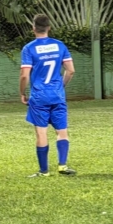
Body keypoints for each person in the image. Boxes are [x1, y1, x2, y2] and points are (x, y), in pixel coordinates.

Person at [21, 14, 76, 177]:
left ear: (33, 29)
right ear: (49, 28)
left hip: (39, 97)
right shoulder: (59, 45)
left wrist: (22, 93)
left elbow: (24, 75)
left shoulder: (29, 48)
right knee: (62, 131)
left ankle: (44, 171)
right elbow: (70, 70)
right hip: (57, 95)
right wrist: (61, 86)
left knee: (41, 132)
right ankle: (63, 166)